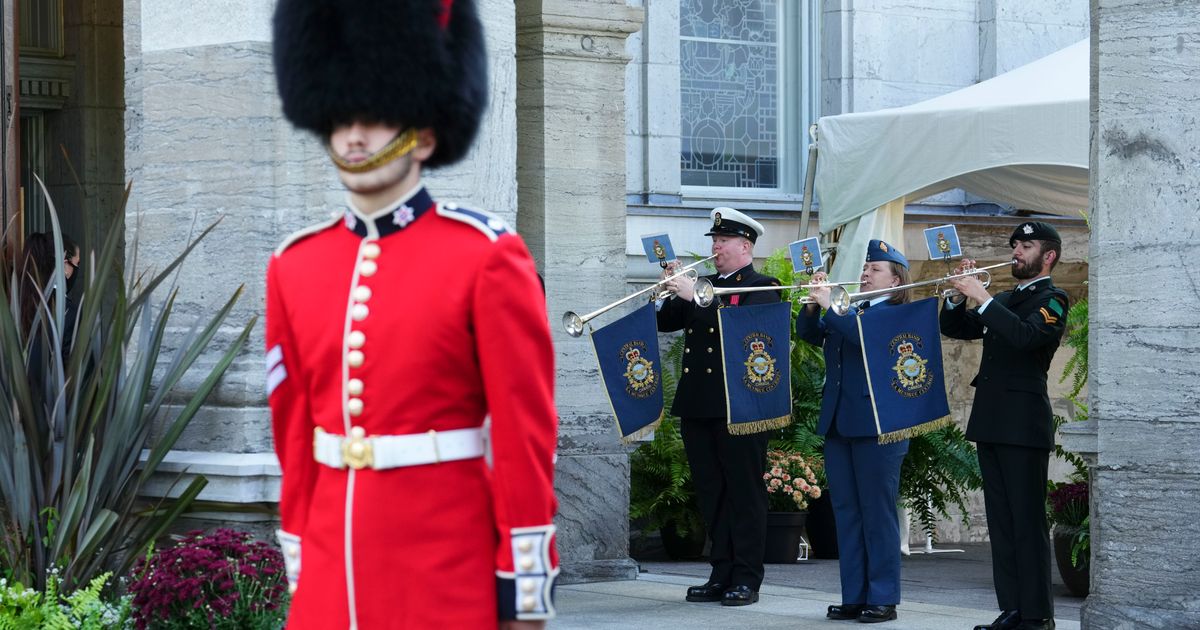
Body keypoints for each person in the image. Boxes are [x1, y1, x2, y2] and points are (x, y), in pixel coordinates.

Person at [267, 1, 558, 628]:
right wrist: (300, 558)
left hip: (443, 574)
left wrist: (524, 582)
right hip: (327, 575)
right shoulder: (293, 266)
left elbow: (521, 437)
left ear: (423, 135)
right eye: (341, 117)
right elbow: (295, 435)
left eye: (374, 118)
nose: (352, 136)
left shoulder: (485, 257)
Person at [940, 221, 1068, 630]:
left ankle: (1037, 615)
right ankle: (1012, 609)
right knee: (1002, 522)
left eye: (1026, 245)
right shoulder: (1009, 297)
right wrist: (957, 296)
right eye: (1014, 244)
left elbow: (1026, 337)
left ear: (1047, 255)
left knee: (1027, 522)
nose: (1016, 251)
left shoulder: (1054, 298)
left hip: (1023, 424)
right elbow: (957, 328)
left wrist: (982, 297)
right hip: (993, 421)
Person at [656, 206, 781, 607]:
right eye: (714, 240)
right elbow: (667, 322)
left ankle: (747, 576)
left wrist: (698, 298)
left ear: (745, 246)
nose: (715, 246)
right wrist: (670, 289)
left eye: (722, 241)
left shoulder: (764, 285)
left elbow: (747, 332)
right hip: (700, 403)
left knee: (744, 492)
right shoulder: (705, 284)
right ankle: (721, 570)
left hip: (741, 405)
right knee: (712, 492)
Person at [795, 239, 912, 624]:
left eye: (875, 269)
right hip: (840, 421)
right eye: (865, 268)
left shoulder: (897, 313)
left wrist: (831, 306)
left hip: (879, 425)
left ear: (895, 280)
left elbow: (864, 340)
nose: (865, 273)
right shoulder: (851, 308)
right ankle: (854, 594)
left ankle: (883, 596)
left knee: (877, 512)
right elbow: (811, 334)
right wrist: (813, 306)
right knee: (846, 511)